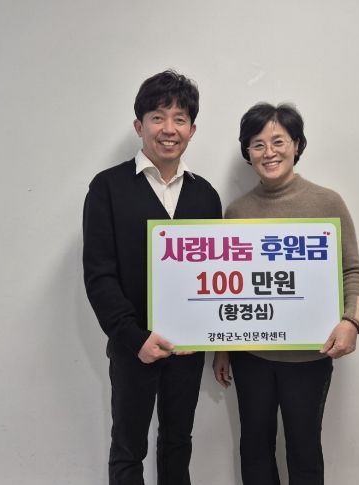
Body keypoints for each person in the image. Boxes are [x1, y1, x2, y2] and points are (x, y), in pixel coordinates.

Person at [212, 103, 359, 485]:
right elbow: (229, 284)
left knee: (304, 449)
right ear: (248, 152)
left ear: (296, 145)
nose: (269, 152)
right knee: (254, 449)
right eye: (258, 144)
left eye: (278, 141)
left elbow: (352, 271)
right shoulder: (237, 212)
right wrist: (223, 346)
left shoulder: (327, 203)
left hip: (309, 356)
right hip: (251, 356)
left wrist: (352, 321)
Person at [83, 70, 222, 485]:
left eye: (180, 119)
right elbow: (99, 274)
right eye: (158, 117)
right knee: (128, 447)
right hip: (133, 346)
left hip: (188, 349)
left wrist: (213, 337)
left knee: (178, 442)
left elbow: (214, 276)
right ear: (139, 125)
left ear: (192, 129)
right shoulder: (108, 188)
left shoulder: (205, 196)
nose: (169, 129)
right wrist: (134, 337)